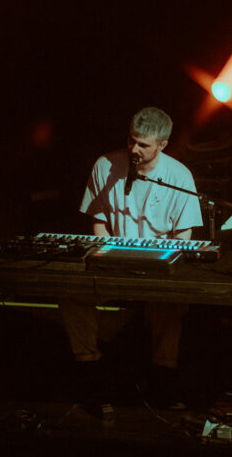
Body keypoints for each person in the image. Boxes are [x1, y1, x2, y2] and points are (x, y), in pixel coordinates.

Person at [60, 106, 203, 409]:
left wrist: (164, 263)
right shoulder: (105, 166)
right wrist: (106, 252)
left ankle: (163, 377)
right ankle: (89, 369)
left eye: (143, 144)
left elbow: (184, 236)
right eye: (131, 140)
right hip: (113, 261)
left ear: (162, 145)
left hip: (158, 266)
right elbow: (99, 221)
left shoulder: (179, 176)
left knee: (172, 302)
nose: (133, 149)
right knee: (71, 293)